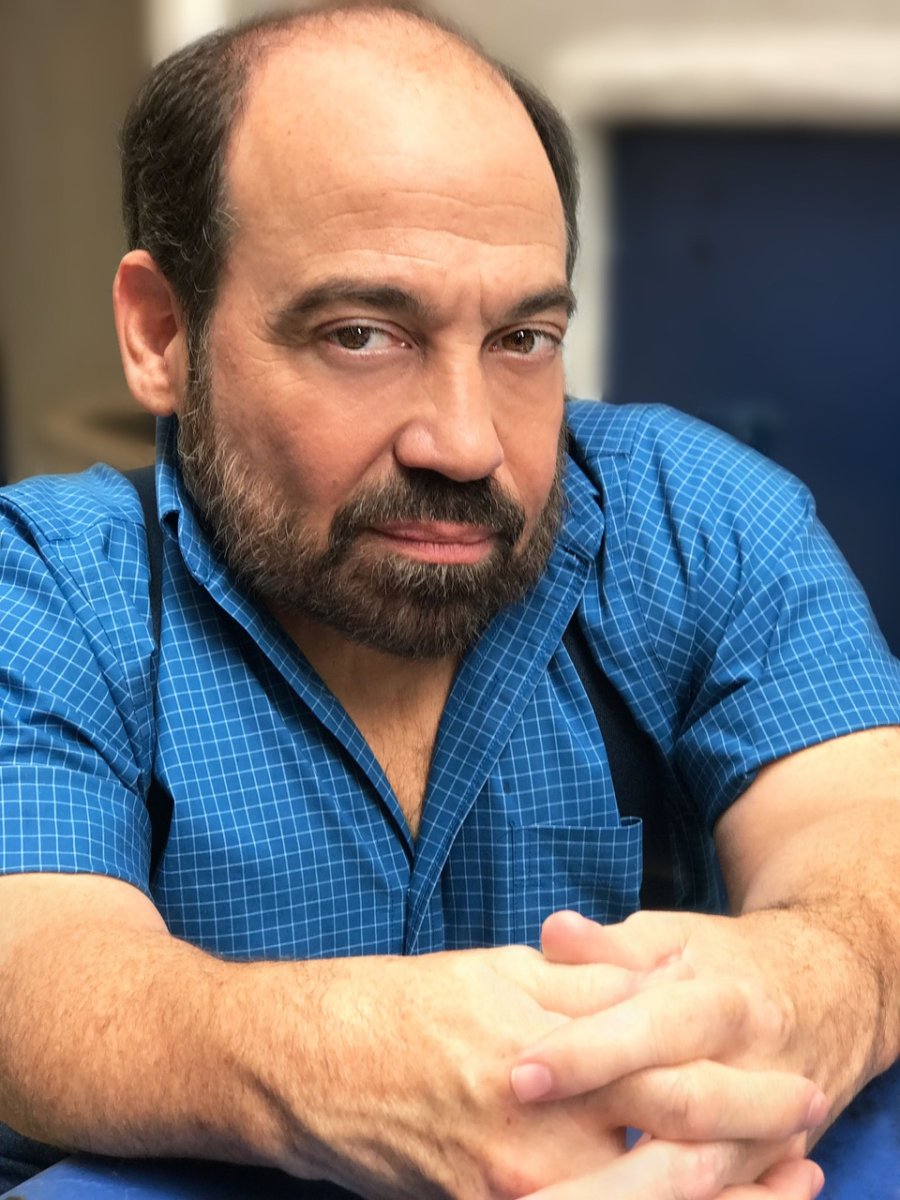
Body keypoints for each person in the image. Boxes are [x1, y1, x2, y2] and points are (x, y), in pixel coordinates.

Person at [0, 3, 897, 1197]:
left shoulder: (699, 518)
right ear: (163, 333)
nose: (468, 444)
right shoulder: (48, 585)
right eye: (363, 335)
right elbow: (36, 975)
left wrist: (812, 983)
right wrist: (346, 1063)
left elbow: (865, 829)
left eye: (523, 338)